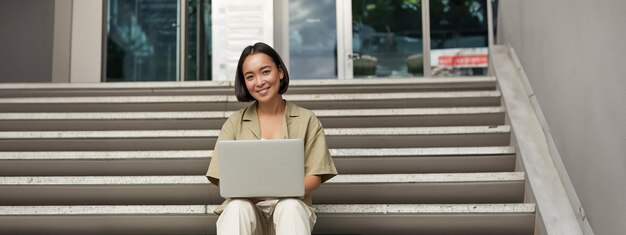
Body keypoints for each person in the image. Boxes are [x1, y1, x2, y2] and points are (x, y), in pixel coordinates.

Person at [206, 42, 337, 235]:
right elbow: (223, 180)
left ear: (280, 72)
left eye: (265, 72)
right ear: (244, 82)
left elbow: (315, 177)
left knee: (290, 207)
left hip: (291, 210)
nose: (259, 82)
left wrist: (279, 191)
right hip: (248, 212)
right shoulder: (234, 123)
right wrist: (254, 194)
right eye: (250, 77)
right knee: (236, 208)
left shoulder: (307, 120)